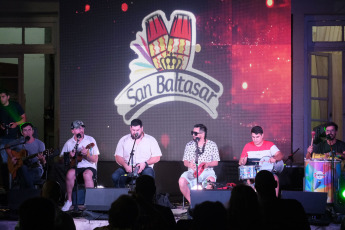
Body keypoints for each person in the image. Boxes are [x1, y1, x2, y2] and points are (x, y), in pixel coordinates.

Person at [60, 120, 100, 211]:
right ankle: (69, 201)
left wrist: (86, 155)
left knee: (86, 174)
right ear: (72, 131)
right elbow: (61, 160)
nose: (81, 130)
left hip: (89, 167)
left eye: (82, 127)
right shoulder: (69, 143)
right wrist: (69, 156)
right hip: (76, 168)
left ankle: (90, 202)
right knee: (70, 173)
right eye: (78, 128)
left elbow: (95, 159)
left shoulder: (90, 140)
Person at [112, 119, 162, 188]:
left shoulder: (151, 140)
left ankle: (146, 198)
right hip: (128, 168)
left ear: (142, 128)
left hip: (144, 167)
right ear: (130, 128)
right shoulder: (123, 140)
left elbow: (157, 157)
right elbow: (118, 156)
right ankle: (123, 196)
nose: (135, 132)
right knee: (116, 176)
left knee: (149, 176)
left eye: (137, 130)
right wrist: (125, 165)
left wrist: (145, 163)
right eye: (133, 130)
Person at [178, 124, 220, 203]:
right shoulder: (189, 145)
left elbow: (216, 162)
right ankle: (192, 203)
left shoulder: (212, 145)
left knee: (211, 181)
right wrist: (189, 164)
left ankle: (205, 203)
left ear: (203, 134)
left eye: (195, 133)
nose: (193, 135)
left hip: (207, 171)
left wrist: (207, 164)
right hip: (192, 171)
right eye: (192, 133)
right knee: (181, 181)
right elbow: (185, 162)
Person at [238, 125, 284, 196]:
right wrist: (242, 162)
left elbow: (280, 155)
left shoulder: (270, 145)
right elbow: (241, 162)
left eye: (257, 137)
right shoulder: (247, 146)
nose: (255, 139)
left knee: (275, 179)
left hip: (267, 172)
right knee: (249, 181)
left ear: (262, 135)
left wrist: (274, 158)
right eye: (253, 137)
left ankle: (275, 200)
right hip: (252, 173)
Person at [5, 122, 46, 189]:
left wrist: (41, 159)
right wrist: (12, 157)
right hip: (21, 168)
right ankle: (32, 194)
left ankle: (27, 194)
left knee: (23, 177)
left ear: (32, 131)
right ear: (22, 133)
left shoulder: (40, 144)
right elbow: (7, 146)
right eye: (25, 130)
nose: (28, 132)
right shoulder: (19, 142)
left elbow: (44, 163)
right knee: (23, 168)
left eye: (29, 130)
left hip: (36, 169)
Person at [0, 89, 26, 191]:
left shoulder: (15, 105)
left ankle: (18, 181)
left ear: (8, 97)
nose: (1, 99)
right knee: (5, 161)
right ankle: (8, 185)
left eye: (3, 96)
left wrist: (15, 124)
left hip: (16, 138)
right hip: (3, 139)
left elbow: (24, 119)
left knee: (19, 158)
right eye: (0, 97)